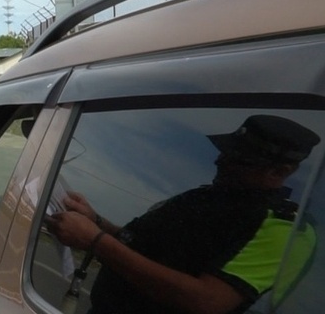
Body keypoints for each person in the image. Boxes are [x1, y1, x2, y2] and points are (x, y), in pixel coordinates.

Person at [45, 114, 321, 314]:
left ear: (281, 171)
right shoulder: (210, 196)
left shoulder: (286, 229)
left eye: (238, 159)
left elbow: (208, 301)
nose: (219, 160)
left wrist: (95, 242)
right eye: (227, 152)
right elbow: (147, 244)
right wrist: (96, 221)